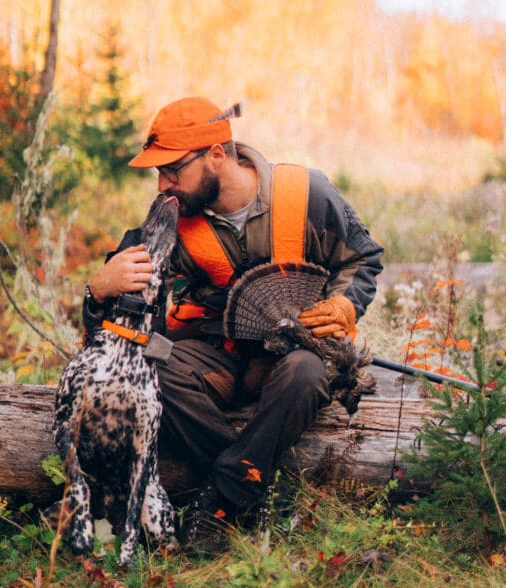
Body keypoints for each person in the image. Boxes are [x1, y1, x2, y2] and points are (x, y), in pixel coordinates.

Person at [82, 97, 384, 542]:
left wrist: (344, 304)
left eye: (172, 170)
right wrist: (98, 288)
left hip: (293, 356)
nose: (163, 185)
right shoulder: (173, 219)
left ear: (216, 156)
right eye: (158, 173)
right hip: (217, 358)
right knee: (146, 367)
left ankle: (221, 495)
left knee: (306, 372)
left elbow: (362, 259)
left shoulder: (306, 194)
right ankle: (251, 487)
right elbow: (120, 327)